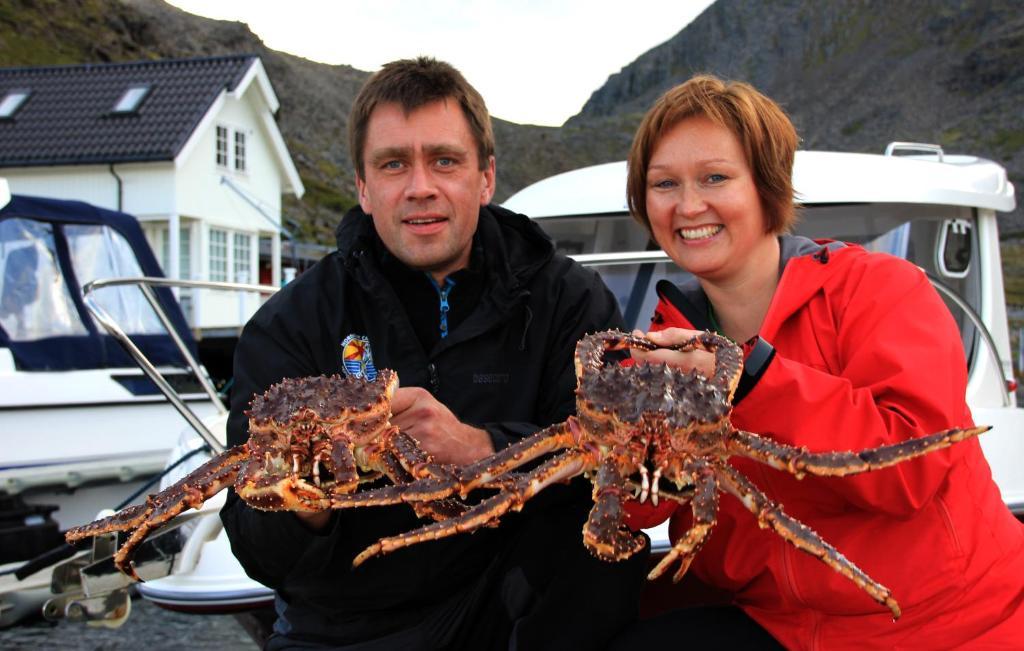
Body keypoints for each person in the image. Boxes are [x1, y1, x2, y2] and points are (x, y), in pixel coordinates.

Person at [219, 57, 649, 650]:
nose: (421, 186)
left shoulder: (566, 299)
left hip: (514, 605)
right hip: (352, 624)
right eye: (394, 164)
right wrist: (303, 499)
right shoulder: (291, 324)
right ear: (364, 188)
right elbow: (252, 543)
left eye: (444, 160)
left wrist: (483, 449)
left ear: (485, 177)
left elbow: (616, 465)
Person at [616, 74, 1024, 649]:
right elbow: (638, 512)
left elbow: (909, 470)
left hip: (950, 623)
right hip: (785, 626)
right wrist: (631, 463)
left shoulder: (880, 289)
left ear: (767, 186)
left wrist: (746, 378)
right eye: (664, 184)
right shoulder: (662, 347)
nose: (688, 206)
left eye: (715, 178)